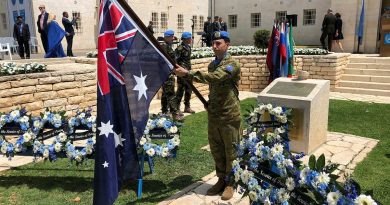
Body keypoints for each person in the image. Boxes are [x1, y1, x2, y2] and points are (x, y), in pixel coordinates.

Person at [173, 31, 241, 201]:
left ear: (227, 44)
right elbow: (214, 87)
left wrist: (188, 74)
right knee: (217, 149)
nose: (215, 46)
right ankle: (221, 179)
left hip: (229, 115)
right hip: (214, 114)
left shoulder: (232, 64)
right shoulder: (212, 64)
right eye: (213, 43)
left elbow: (216, 78)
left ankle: (231, 182)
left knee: (231, 150)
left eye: (218, 43)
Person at [161, 30, 183, 121]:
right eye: (171, 37)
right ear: (166, 37)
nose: (173, 38)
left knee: (165, 93)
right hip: (166, 74)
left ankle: (164, 111)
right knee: (171, 94)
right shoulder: (164, 47)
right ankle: (175, 114)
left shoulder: (168, 46)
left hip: (168, 73)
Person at [175, 32, 195, 114]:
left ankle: (187, 107)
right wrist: (178, 70)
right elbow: (175, 61)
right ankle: (177, 108)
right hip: (182, 72)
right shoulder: (179, 49)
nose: (191, 39)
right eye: (190, 38)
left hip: (188, 72)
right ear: (186, 39)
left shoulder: (189, 47)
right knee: (180, 90)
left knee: (189, 89)